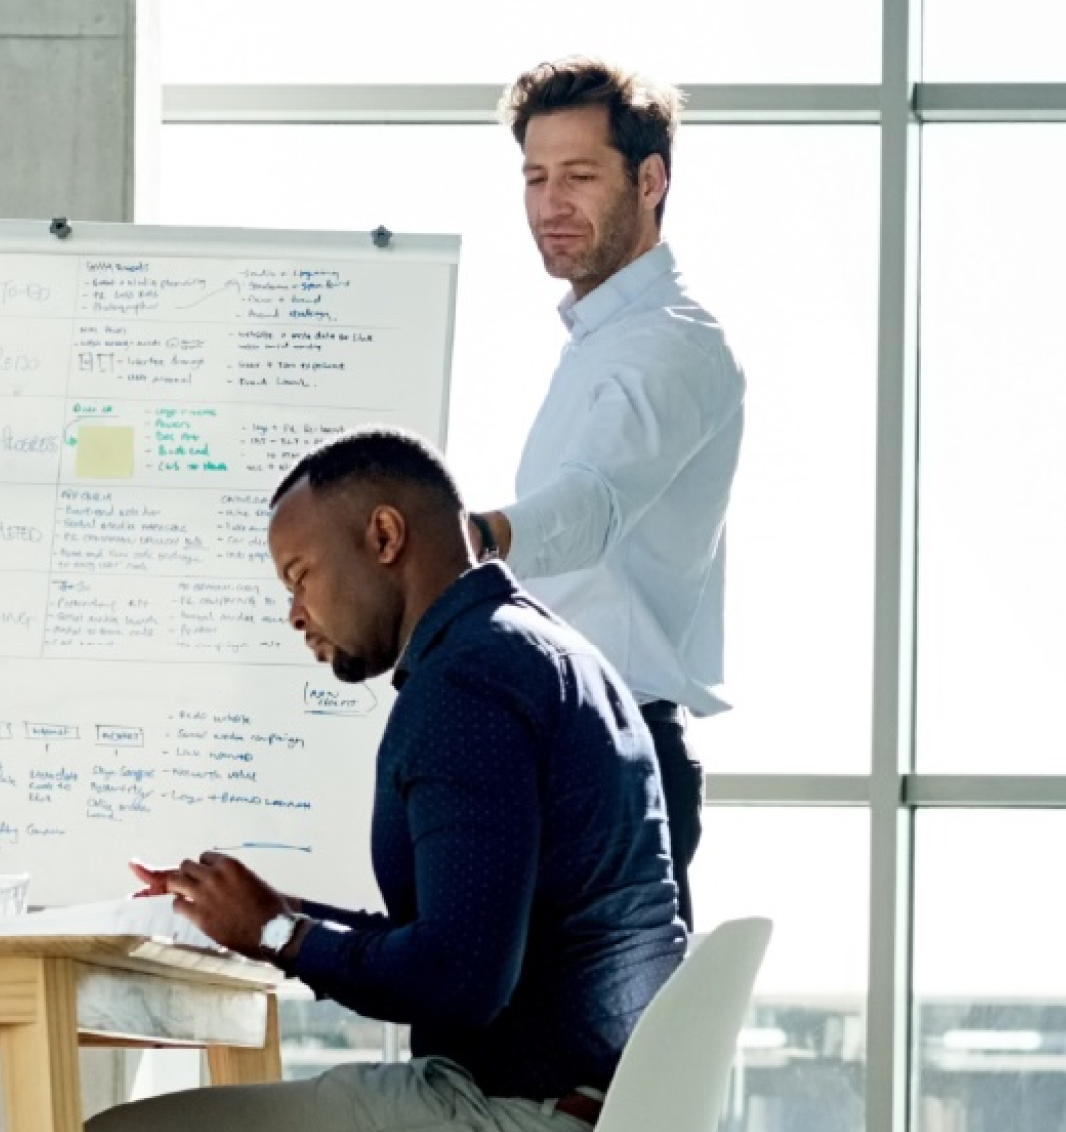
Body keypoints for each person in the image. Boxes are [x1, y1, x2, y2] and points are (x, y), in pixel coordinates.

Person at [89, 429, 686, 1132]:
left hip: (507, 1111)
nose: (294, 613)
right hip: (585, 1100)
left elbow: (458, 981)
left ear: (382, 535)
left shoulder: (467, 683)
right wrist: (268, 911)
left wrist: (279, 932)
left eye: (299, 574)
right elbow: (455, 936)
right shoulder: (550, 651)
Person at [467, 57, 746, 928]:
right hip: (576, 745)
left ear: (651, 179)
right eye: (536, 178)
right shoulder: (600, 341)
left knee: (588, 1060)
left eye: (580, 176)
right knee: (544, 1053)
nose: (551, 203)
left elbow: (589, 509)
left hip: (615, 756)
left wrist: (469, 538)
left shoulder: (669, 346)